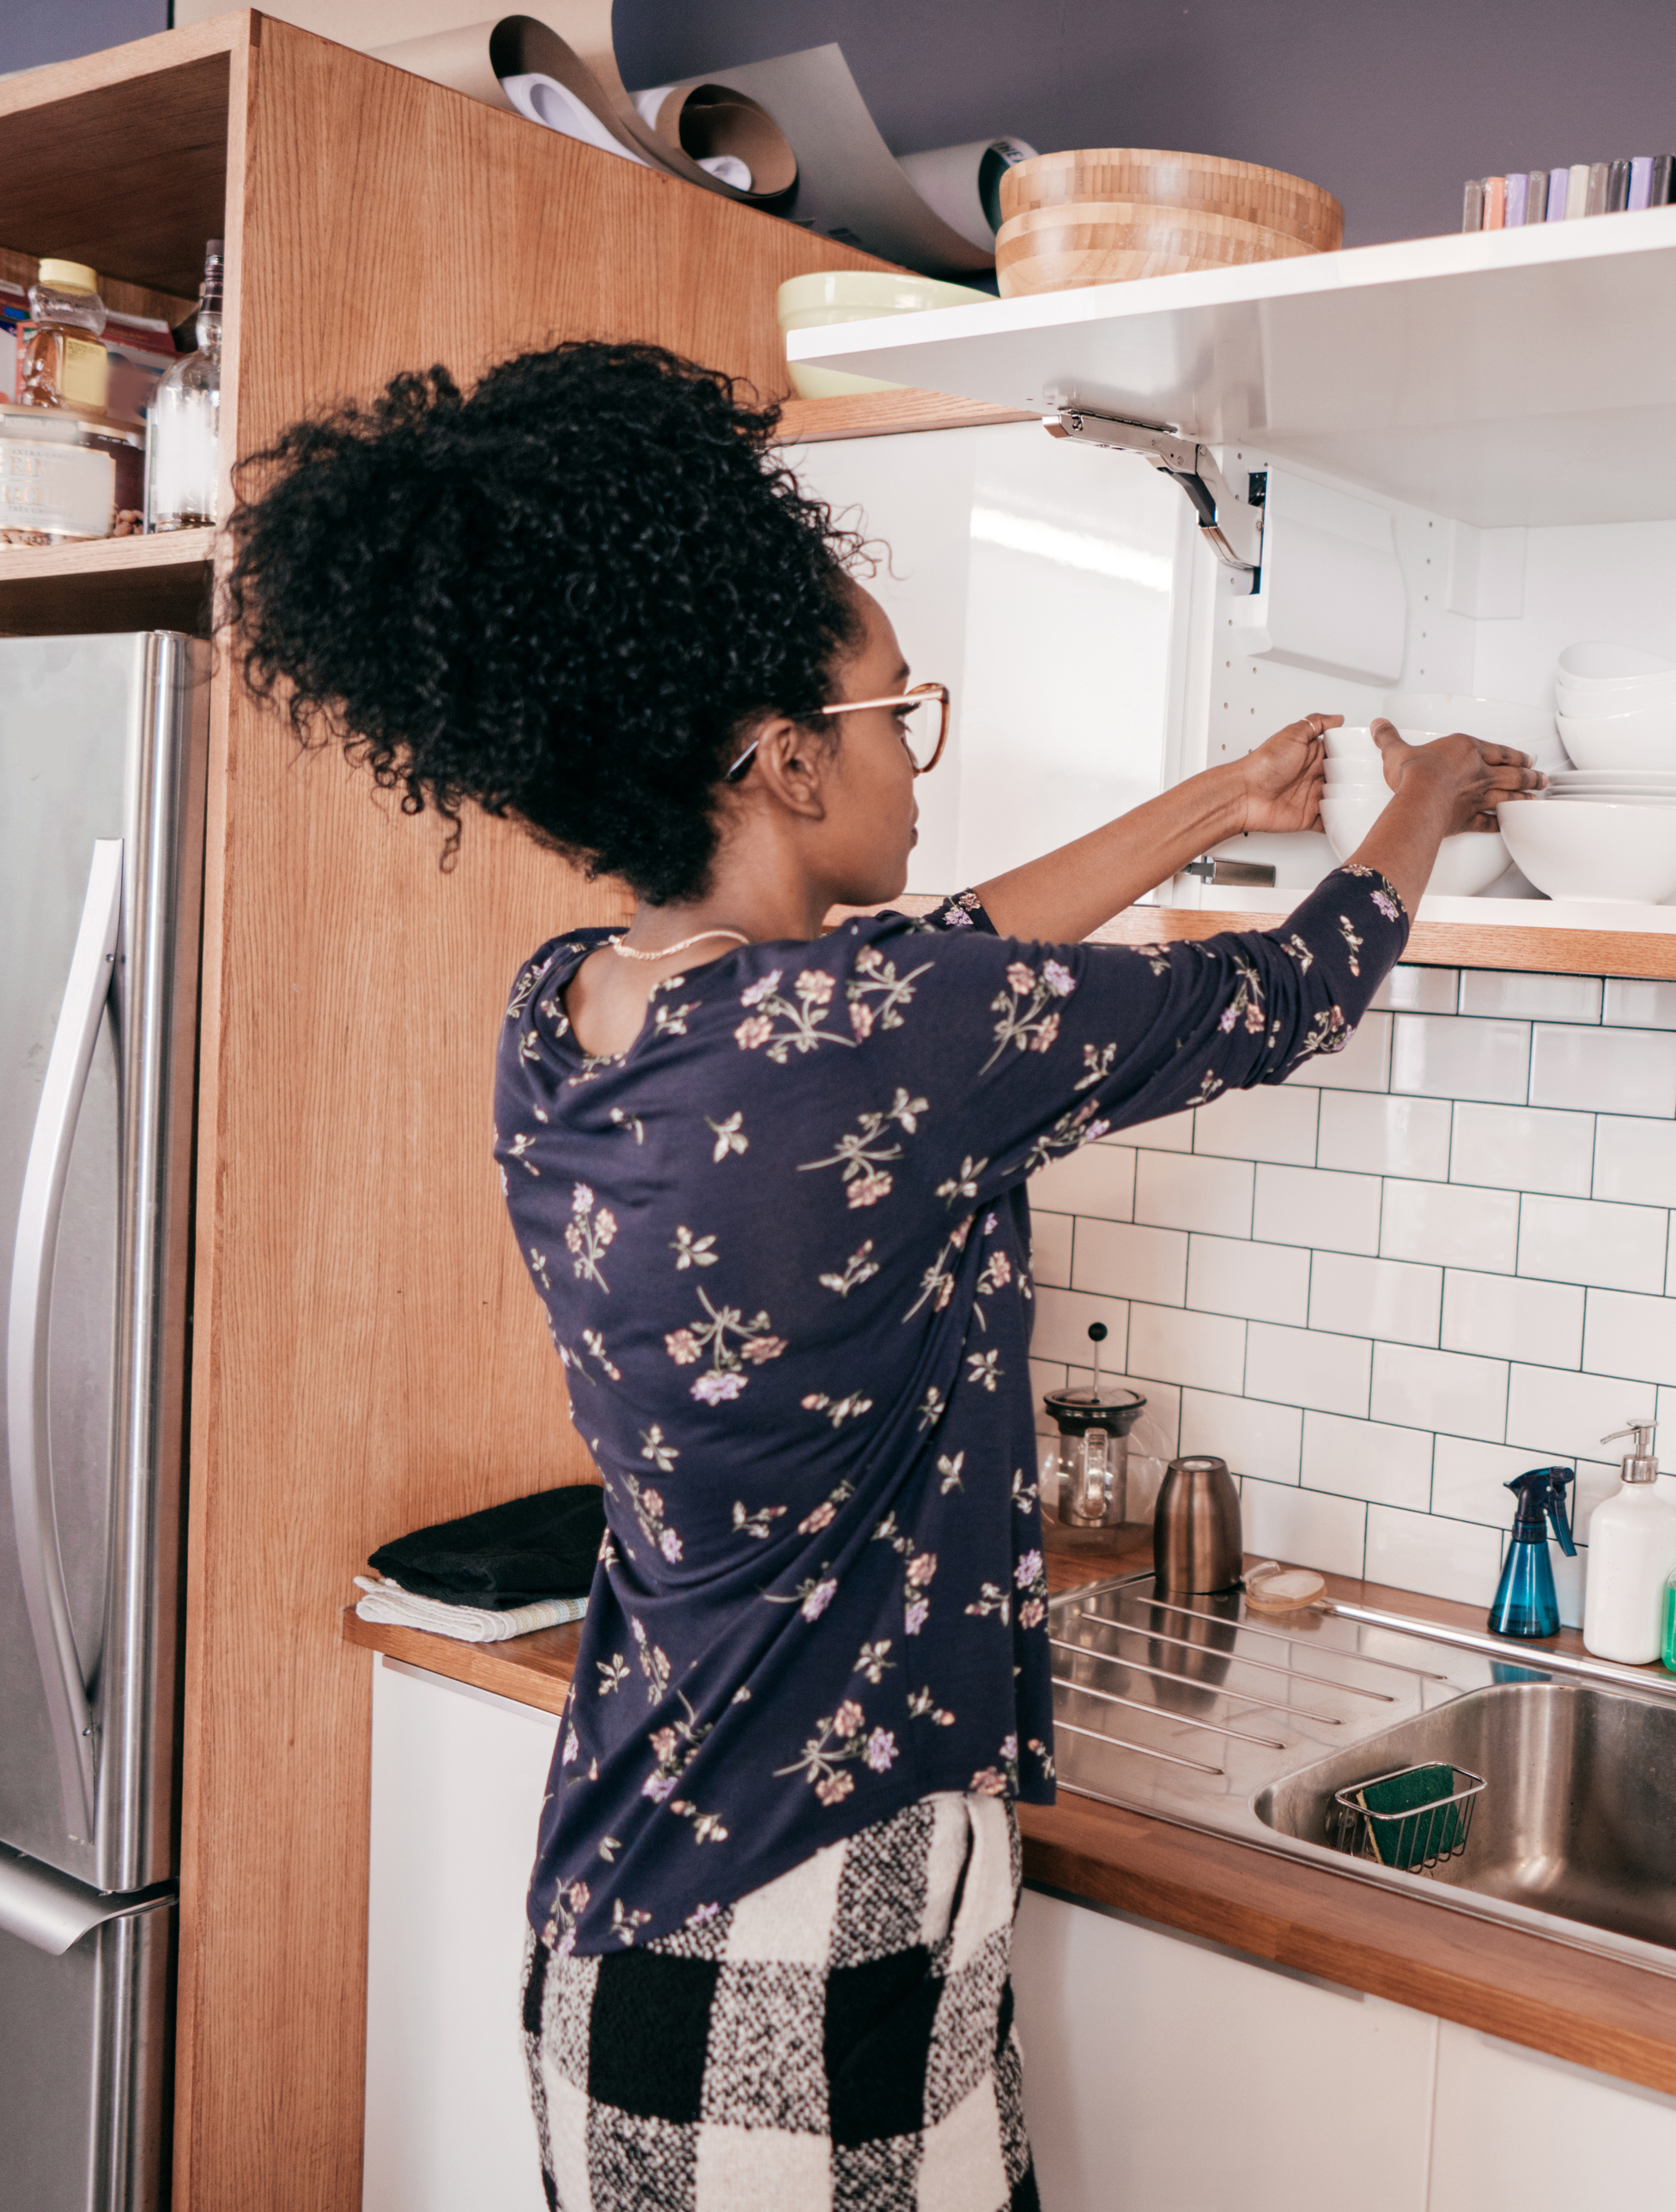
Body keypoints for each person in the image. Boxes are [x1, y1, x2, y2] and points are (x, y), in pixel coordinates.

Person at [222, 341, 1535, 2211]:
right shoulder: (879, 1033)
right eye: (893, 712)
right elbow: (1277, 996)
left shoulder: (569, 1006)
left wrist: (1211, 800)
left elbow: (932, 960)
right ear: (782, 762)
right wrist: (1428, 799)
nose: (917, 750)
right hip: (803, 1925)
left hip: (631, 1898)